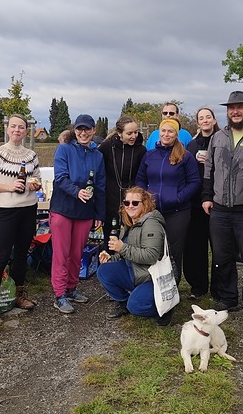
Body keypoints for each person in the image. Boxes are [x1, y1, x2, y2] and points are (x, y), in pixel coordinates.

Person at [202, 90, 243, 326]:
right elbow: (209, 168)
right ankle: (228, 298)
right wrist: (207, 196)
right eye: (231, 108)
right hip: (219, 208)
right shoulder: (218, 137)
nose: (235, 111)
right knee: (221, 254)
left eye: (240, 107)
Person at [0, 114, 41, 324]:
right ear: (7, 129)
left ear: (26, 131)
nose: (17, 130)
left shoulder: (31, 155)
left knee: (22, 254)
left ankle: (18, 295)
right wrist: (8, 187)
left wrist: (35, 185)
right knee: (1, 257)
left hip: (28, 209)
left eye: (21, 127)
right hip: (6, 211)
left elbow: (36, 178)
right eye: (13, 126)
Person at [49, 114, 106, 314]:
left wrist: (99, 213)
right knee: (61, 254)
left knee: (76, 254)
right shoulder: (64, 149)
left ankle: (72, 288)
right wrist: (76, 191)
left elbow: (99, 186)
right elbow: (60, 178)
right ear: (75, 130)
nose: (83, 133)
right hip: (63, 210)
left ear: (93, 131)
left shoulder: (97, 155)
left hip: (85, 212)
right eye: (80, 129)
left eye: (87, 129)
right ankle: (59, 294)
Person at [136, 118, 200, 285]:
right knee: (152, 248)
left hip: (178, 211)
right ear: (159, 132)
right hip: (153, 211)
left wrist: (179, 198)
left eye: (170, 131)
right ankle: (153, 285)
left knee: (173, 251)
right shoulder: (149, 155)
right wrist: (145, 198)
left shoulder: (185, 157)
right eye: (163, 130)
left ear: (176, 134)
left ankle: (172, 288)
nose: (166, 134)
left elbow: (194, 182)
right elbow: (141, 179)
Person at [97, 186, 173, 325]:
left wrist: (122, 248)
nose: (130, 206)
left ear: (145, 204)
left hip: (152, 277)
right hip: (135, 271)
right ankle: (123, 302)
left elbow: (151, 256)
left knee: (136, 307)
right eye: (126, 203)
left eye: (135, 203)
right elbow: (126, 254)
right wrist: (110, 258)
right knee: (103, 271)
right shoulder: (128, 224)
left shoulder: (151, 224)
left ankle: (164, 308)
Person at [183, 106, 218, 298]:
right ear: (197, 123)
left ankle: (218, 287)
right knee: (196, 246)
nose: (205, 120)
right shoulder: (192, 145)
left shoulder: (222, 140)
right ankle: (198, 285)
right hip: (196, 202)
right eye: (201, 118)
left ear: (213, 120)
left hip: (217, 200)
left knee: (219, 247)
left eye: (208, 117)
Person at [98, 115, 147, 234]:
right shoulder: (107, 147)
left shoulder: (141, 150)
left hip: (133, 203)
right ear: (120, 133)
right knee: (110, 240)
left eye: (136, 132)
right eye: (129, 133)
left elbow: (143, 176)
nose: (134, 136)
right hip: (111, 201)